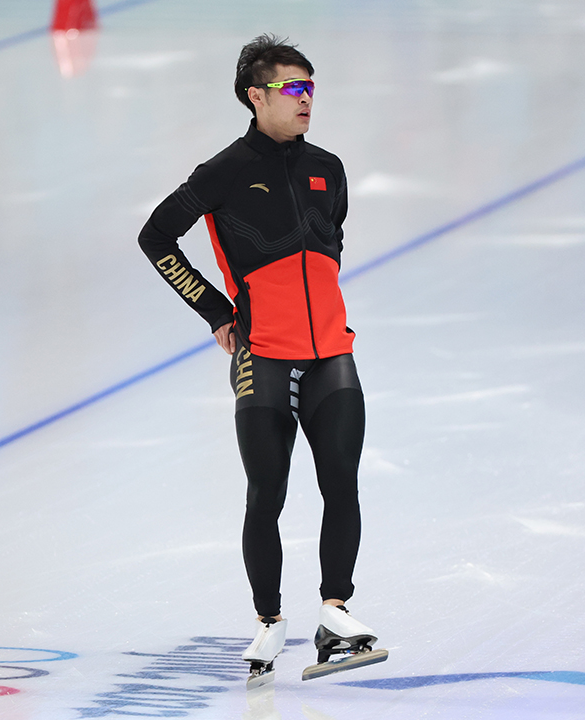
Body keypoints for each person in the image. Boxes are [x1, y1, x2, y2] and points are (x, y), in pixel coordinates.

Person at [137, 34, 383, 685]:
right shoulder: (222, 171)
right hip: (264, 356)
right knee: (267, 493)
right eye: (292, 88)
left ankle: (335, 614)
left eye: (311, 88)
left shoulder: (328, 168)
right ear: (256, 95)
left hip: (331, 352)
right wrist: (215, 310)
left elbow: (329, 248)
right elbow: (156, 236)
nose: (306, 100)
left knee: (342, 482)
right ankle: (269, 620)